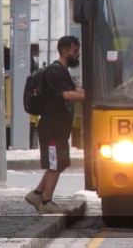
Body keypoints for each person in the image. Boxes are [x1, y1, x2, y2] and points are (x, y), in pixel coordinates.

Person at [25, 35, 85, 215]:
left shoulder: (62, 71)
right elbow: (66, 95)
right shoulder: (55, 71)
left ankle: (37, 194)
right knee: (54, 165)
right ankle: (46, 202)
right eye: (75, 50)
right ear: (65, 51)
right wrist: (90, 97)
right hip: (51, 129)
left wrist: (93, 92)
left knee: (61, 162)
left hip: (58, 129)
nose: (78, 54)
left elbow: (74, 90)